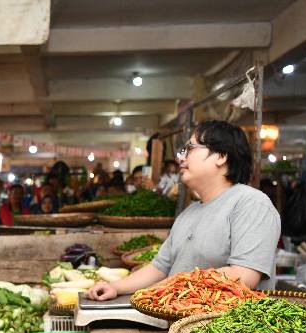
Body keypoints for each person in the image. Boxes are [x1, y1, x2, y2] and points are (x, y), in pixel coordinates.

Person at [87, 120, 281, 303]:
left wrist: (173, 284)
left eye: (190, 149)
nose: (181, 157)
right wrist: (116, 287)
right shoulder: (189, 213)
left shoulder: (251, 204)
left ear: (221, 156)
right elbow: (159, 268)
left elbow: (244, 276)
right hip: (179, 328)